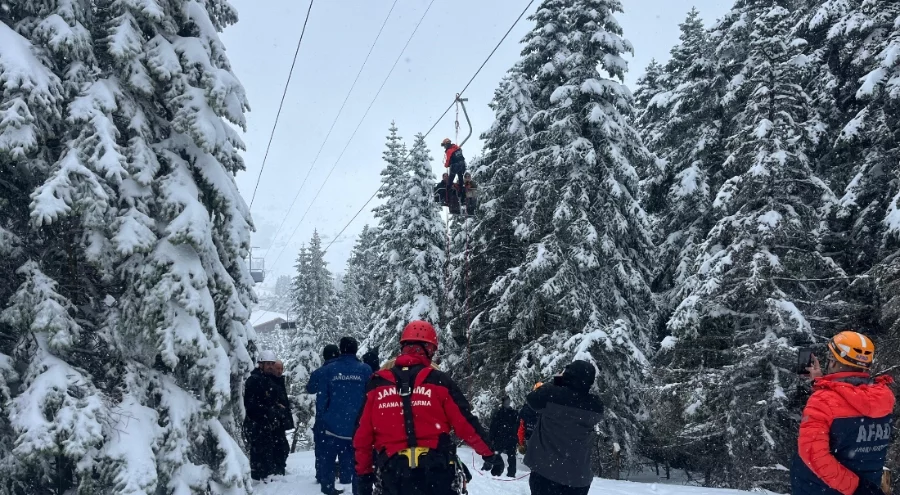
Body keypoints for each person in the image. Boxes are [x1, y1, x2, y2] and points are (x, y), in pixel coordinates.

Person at [353, 320, 504, 495]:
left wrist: (364, 476)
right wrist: (489, 453)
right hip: (435, 470)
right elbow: (466, 424)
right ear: (429, 349)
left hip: (393, 472)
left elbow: (361, 436)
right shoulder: (439, 381)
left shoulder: (377, 384)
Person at [791, 331, 895, 495]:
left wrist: (855, 487)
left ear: (833, 361)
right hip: (870, 487)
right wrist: (820, 382)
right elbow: (849, 400)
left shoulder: (823, 401)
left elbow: (813, 455)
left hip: (822, 489)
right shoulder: (883, 397)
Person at [524, 360, 604, 495]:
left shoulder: (551, 395)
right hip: (579, 478)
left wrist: (556, 382)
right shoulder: (595, 405)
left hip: (547, 473)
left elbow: (533, 398)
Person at [319, 337, 372, 495]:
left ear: (340, 350)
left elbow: (322, 398)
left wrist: (324, 419)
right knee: (359, 462)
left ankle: (328, 489)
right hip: (357, 426)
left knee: (328, 460)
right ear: (356, 350)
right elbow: (370, 397)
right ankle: (358, 490)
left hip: (332, 426)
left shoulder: (329, 370)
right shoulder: (365, 369)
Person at [244, 350, 289, 480]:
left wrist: (279, 411)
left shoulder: (273, 380)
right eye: (267, 363)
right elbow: (251, 404)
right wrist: (267, 412)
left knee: (280, 448)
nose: (270, 366)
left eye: (271, 363)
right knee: (262, 451)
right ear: (260, 364)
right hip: (259, 423)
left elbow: (278, 401)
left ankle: (276, 473)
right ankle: (262, 476)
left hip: (273, 423)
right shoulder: (253, 380)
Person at [307, 344, 341, 485]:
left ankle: (322, 474)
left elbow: (310, 389)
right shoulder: (343, 371)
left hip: (324, 416)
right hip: (343, 416)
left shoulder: (320, 372)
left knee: (323, 448)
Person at [271, 360, 294, 476]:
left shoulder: (279, 381)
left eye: (281, 369)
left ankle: (279, 469)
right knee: (280, 446)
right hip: (274, 420)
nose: (280, 371)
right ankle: (277, 470)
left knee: (282, 446)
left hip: (280, 419)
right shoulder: (271, 382)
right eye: (277, 369)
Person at [487, 396, 519, 477]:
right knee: (495, 454)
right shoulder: (499, 413)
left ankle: (511, 473)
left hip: (510, 438)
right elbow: (493, 426)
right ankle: (491, 470)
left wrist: (517, 437)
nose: (507, 403)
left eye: (508, 401)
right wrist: (491, 438)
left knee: (511, 456)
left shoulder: (514, 413)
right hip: (500, 438)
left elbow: (518, 426)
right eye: (506, 401)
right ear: (503, 402)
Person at [517, 382, 542, 454]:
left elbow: (521, 427)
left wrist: (521, 442)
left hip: (530, 439)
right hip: (540, 440)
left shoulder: (526, 408)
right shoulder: (546, 408)